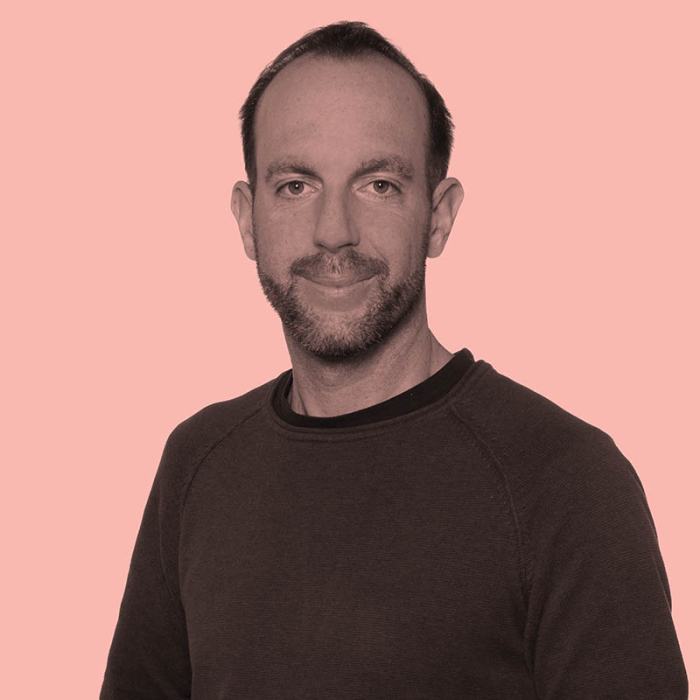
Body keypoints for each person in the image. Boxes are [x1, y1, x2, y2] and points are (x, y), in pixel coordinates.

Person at [99, 20, 688, 699]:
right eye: (295, 185)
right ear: (245, 217)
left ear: (438, 217)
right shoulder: (197, 461)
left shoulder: (564, 480)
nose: (334, 232)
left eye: (378, 185)